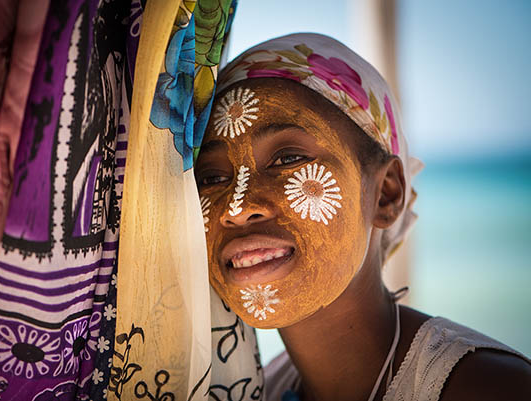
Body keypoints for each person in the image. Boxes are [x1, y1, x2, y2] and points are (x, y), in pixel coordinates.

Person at [194, 33, 531, 401]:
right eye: (212, 178)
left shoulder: (491, 388)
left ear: (386, 194)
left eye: (289, 159)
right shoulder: (264, 390)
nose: (238, 207)